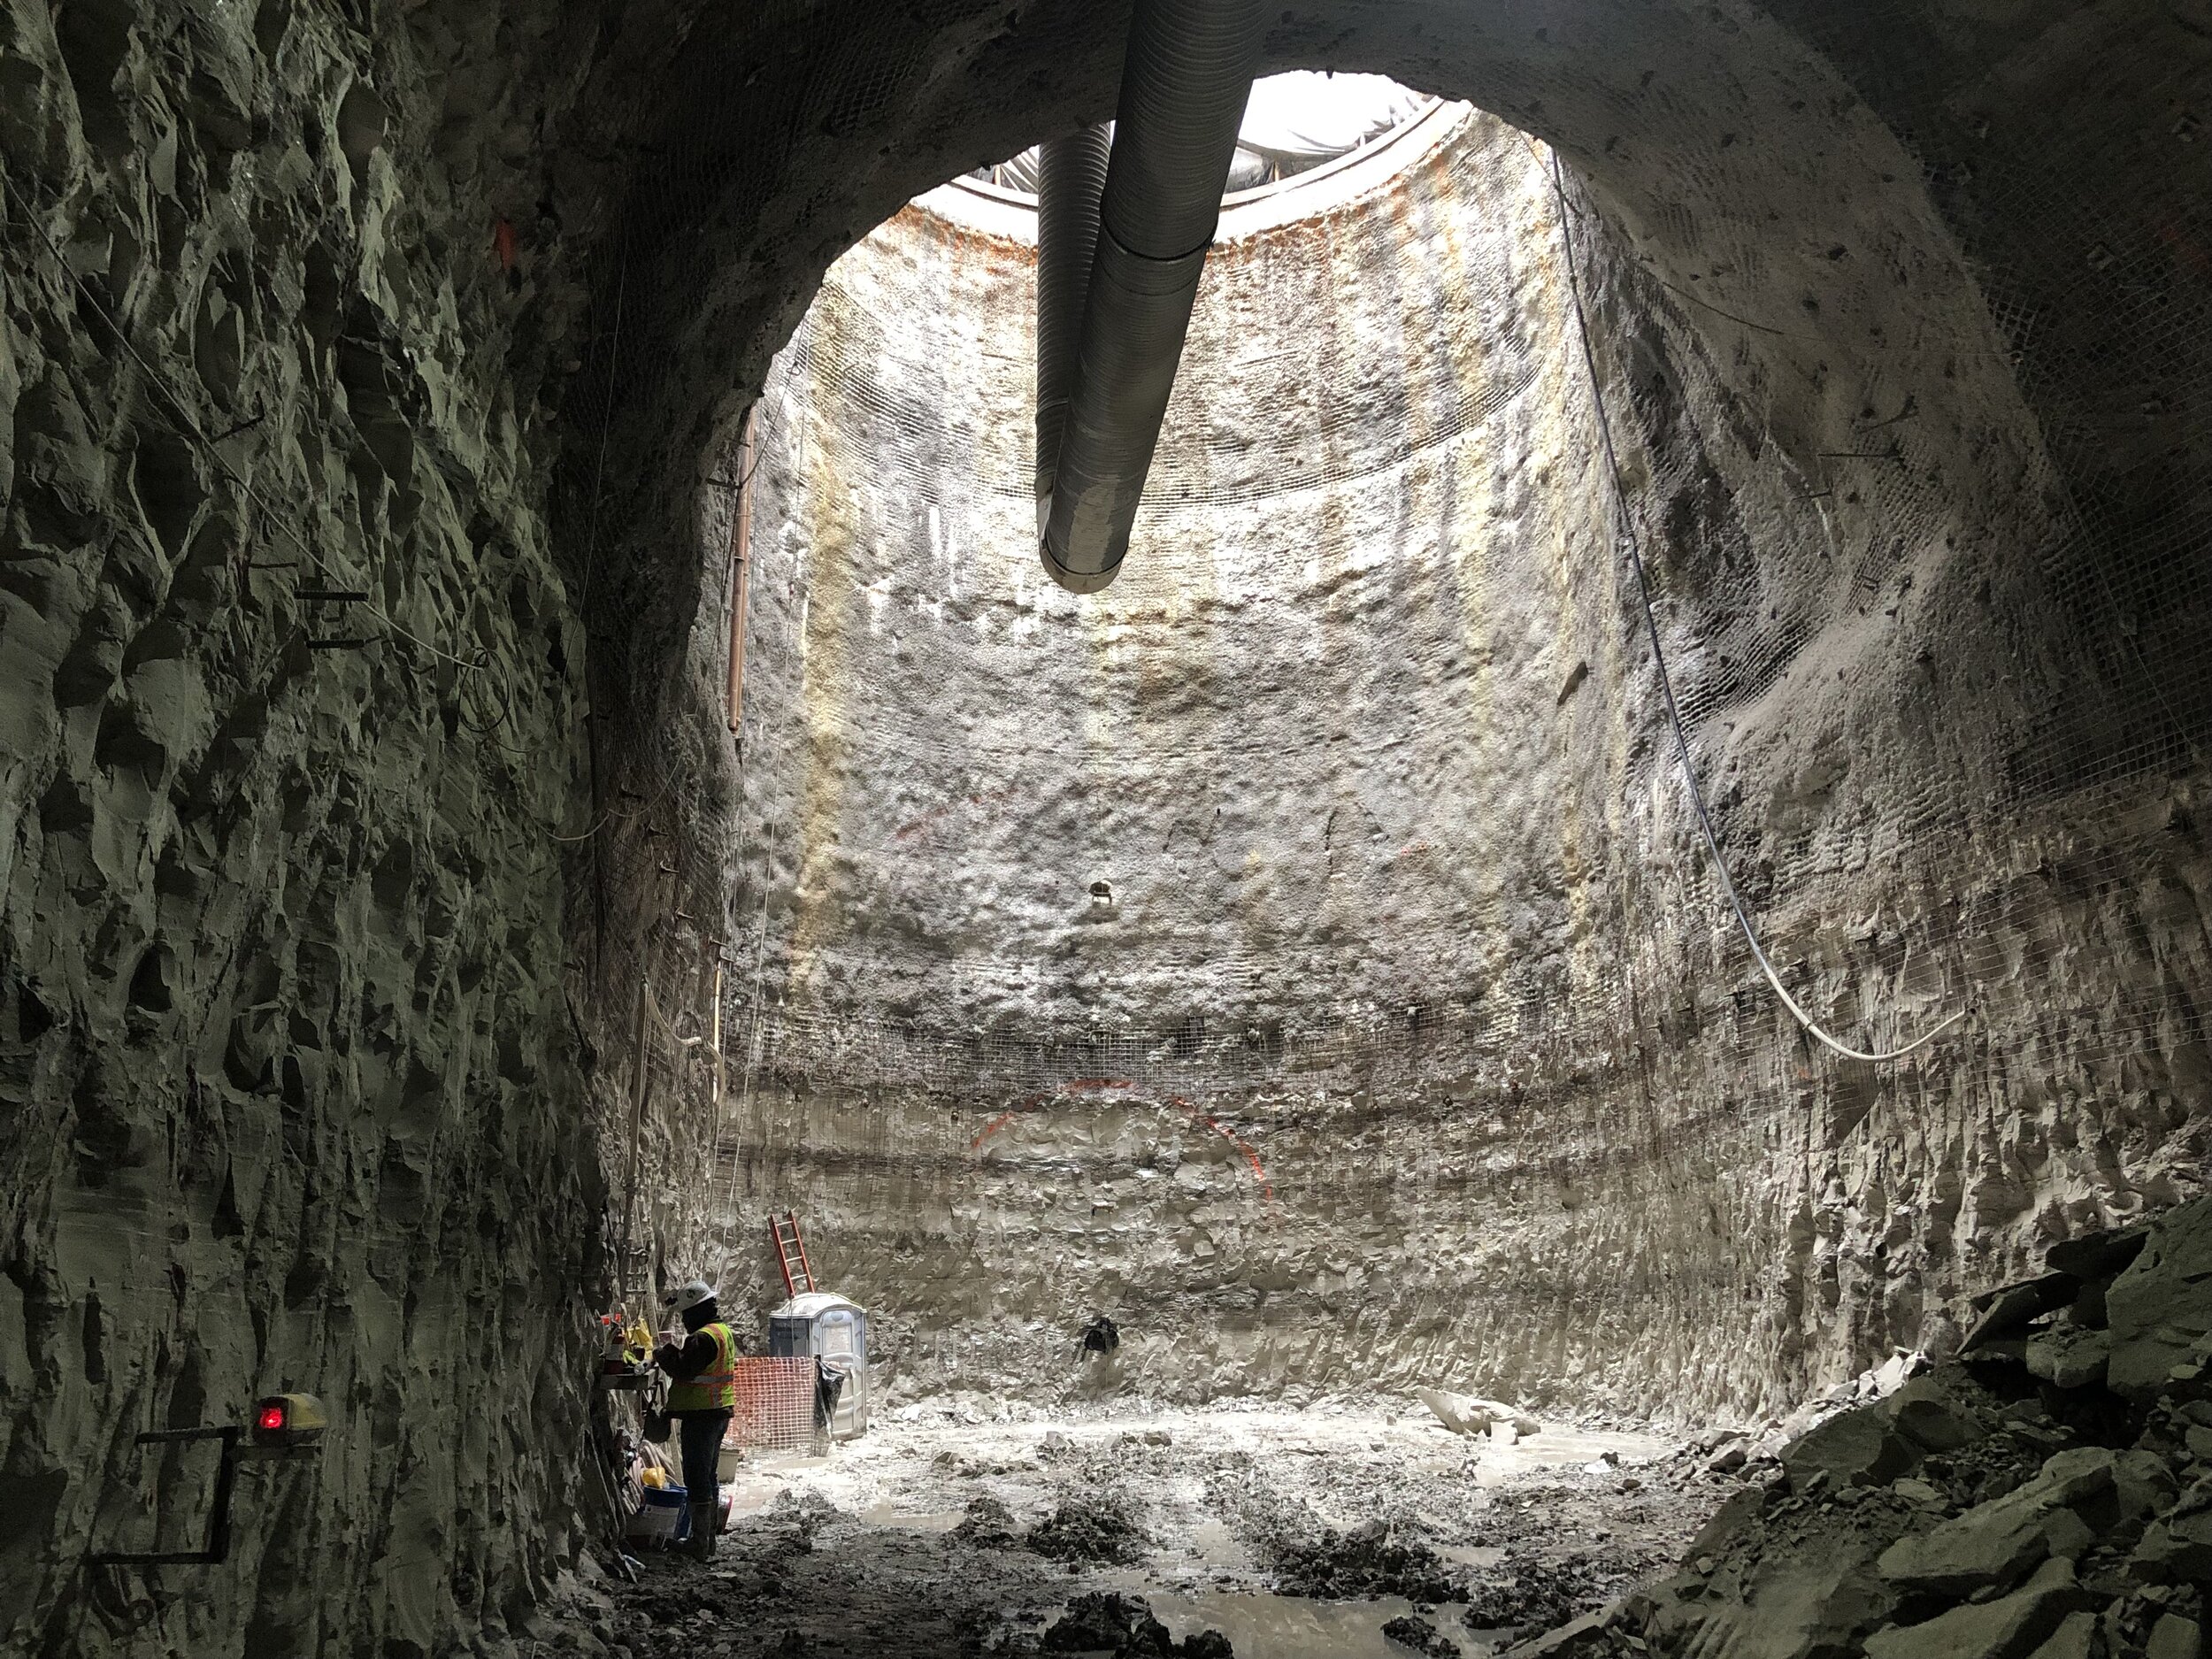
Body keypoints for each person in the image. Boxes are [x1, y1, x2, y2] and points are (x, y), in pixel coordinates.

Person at [653, 1279, 737, 1561]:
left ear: (695, 1311)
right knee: (709, 1477)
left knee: (697, 1478)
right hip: (718, 1412)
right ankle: (707, 1541)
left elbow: (685, 1371)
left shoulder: (701, 1338)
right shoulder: (721, 1331)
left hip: (702, 1417)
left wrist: (663, 1355)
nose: (684, 1319)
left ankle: (699, 1543)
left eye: (685, 1313)